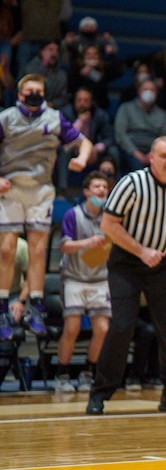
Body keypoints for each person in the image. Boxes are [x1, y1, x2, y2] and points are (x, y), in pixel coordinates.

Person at [85, 136, 166, 415]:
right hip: (127, 262)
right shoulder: (131, 183)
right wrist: (141, 251)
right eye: (164, 156)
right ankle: (100, 393)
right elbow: (108, 224)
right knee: (122, 326)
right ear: (151, 158)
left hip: (163, 263)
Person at [0, 74, 93, 341]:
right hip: (11, 187)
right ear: (19, 94)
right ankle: (3, 307)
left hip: (41, 188)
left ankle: (36, 307)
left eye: (39, 91)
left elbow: (83, 142)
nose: (34, 94)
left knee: (38, 249)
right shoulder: (5, 118)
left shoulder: (54, 118)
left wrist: (82, 158)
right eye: (30, 91)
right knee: (6, 250)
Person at [54, 171, 112, 393]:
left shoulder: (110, 216)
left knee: (103, 328)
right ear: (86, 192)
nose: (102, 191)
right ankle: (62, 374)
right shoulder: (73, 214)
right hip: (74, 277)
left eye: (105, 187)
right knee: (72, 327)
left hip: (100, 278)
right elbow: (64, 247)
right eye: (97, 187)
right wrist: (89, 242)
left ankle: (88, 372)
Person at [56, 86, 119, 196]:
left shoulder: (100, 115)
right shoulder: (66, 113)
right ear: (74, 101)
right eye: (79, 100)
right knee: (63, 151)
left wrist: (96, 148)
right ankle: (63, 189)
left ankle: (114, 188)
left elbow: (109, 138)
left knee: (113, 151)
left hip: (95, 151)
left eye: (86, 101)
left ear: (91, 102)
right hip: (73, 149)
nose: (82, 104)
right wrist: (80, 121)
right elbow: (63, 138)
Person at [114, 77, 166, 172]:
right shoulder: (126, 108)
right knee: (135, 163)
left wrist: (153, 153)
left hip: (154, 151)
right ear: (139, 92)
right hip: (130, 150)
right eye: (145, 90)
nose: (148, 93)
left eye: (152, 90)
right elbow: (120, 134)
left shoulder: (162, 114)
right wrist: (136, 154)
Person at [21, 40, 69, 109]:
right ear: (42, 52)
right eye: (50, 50)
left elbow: (63, 98)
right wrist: (44, 66)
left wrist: (52, 104)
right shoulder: (30, 68)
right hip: (30, 106)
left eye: (57, 50)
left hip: (52, 109)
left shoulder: (62, 75)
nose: (54, 53)